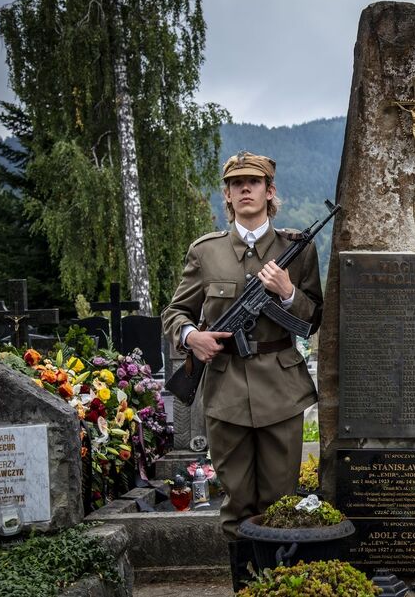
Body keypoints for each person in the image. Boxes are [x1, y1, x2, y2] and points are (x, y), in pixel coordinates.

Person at [162, 151, 322, 585]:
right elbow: (175, 312)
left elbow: (313, 320)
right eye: (236, 183)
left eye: (254, 182)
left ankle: (277, 587)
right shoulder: (207, 252)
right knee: (235, 504)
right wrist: (191, 337)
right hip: (225, 390)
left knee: (280, 502)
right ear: (228, 196)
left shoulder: (296, 250)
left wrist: (288, 292)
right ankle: (246, 587)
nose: (245, 188)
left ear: (270, 192)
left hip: (282, 392)